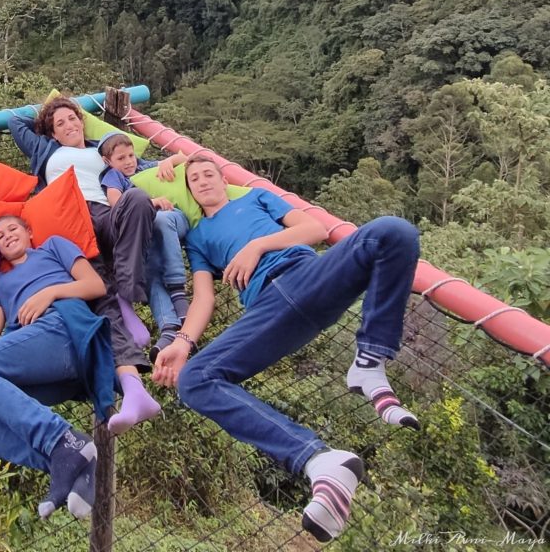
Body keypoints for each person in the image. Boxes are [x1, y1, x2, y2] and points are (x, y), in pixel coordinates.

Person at [153, 153, 420, 543]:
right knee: (195, 379)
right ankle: (320, 460)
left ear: (223, 180)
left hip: (309, 274)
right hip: (267, 310)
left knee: (393, 232)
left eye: (209, 173)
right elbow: (203, 299)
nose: (203, 181)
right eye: (194, 179)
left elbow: (314, 229)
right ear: (191, 191)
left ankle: (369, 360)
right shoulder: (197, 238)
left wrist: (257, 246)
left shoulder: (256, 199)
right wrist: (182, 342)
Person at [0, 216, 118, 519]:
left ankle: (60, 438)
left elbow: (95, 284)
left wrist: (49, 292)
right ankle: (68, 460)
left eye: (13, 229)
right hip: (35, 355)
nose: (6, 236)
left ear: (29, 232)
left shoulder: (52, 248)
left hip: (62, 328)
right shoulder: (1, 284)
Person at [8, 95, 161, 435]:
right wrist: (48, 110)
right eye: (59, 123)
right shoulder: (47, 151)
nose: (69, 125)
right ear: (52, 133)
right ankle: (134, 390)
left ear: (83, 122)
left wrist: (173, 161)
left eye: (73, 119)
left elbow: (141, 166)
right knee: (101, 297)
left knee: (137, 198)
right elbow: (13, 123)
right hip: (71, 221)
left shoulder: (102, 150)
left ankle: (128, 295)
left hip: (107, 213)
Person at [99, 132, 190, 361]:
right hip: (149, 233)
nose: (129, 161)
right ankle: (169, 327)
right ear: (108, 161)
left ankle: (179, 292)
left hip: (170, 219)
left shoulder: (143, 166)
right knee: (147, 268)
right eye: (121, 158)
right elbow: (116, 203)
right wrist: (150, 202)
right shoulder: (113, 177)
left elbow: (184, 157)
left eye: (131, 155)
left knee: (159, 220)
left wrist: (169, 161)